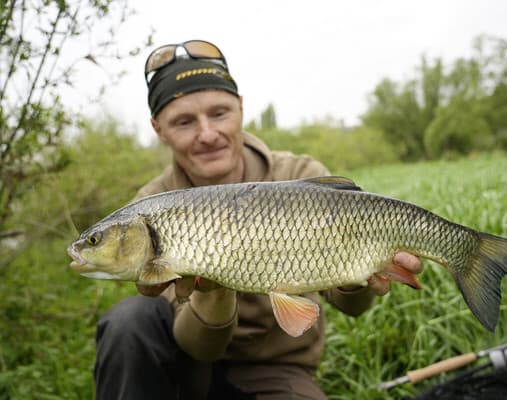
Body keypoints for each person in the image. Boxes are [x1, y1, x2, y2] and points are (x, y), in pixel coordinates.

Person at [93, 39, 423, 400]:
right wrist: (214, 293)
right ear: (159, 129)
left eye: (219, 114)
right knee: (129, 320)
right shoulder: (151, 208)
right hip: (183, 366)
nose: (207, 134)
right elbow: (199, 347)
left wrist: (363, 272)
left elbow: (352, 307)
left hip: (275, 369)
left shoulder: (299, 175)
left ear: (240, 107)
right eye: (184, 122)